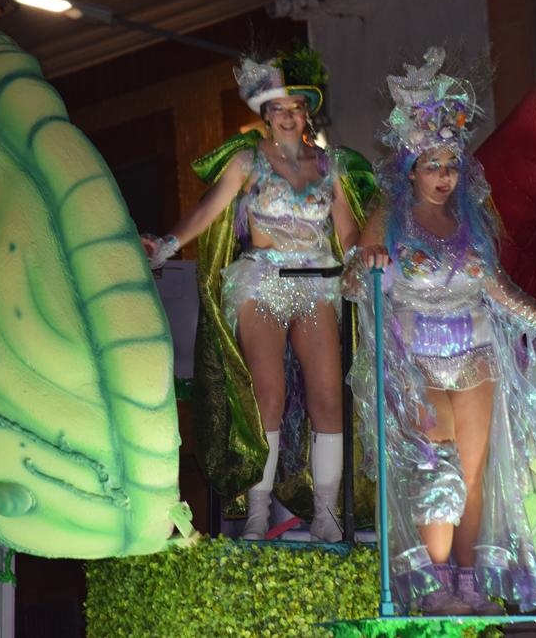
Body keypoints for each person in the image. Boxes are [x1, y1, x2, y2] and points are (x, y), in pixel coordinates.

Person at [343, 47, 536, 614]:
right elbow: (353, 283)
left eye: (451, 166)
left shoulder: (471, 224)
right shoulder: (389, 217)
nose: (443, 176)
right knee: (440, 468)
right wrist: (371, 263)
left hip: (476, 355)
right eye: (432, 165)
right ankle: (436, 584)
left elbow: (500, 292)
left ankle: (469, 581)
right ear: (412, 169)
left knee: (476, 474)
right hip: (419, 361)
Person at [143, 47, 373, 542]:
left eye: (296, 108)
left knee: (328, 397)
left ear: (307, 113)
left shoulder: (329, 166)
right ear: (265, 115)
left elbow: (349, 232)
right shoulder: (248, 162)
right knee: (268, 394)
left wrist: (366, 259)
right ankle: (257, 512)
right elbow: (207, 210)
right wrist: (166, 244)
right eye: (278, 108)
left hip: (317, 283)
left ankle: (326, 514)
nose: (288, 117)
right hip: (262, 282)